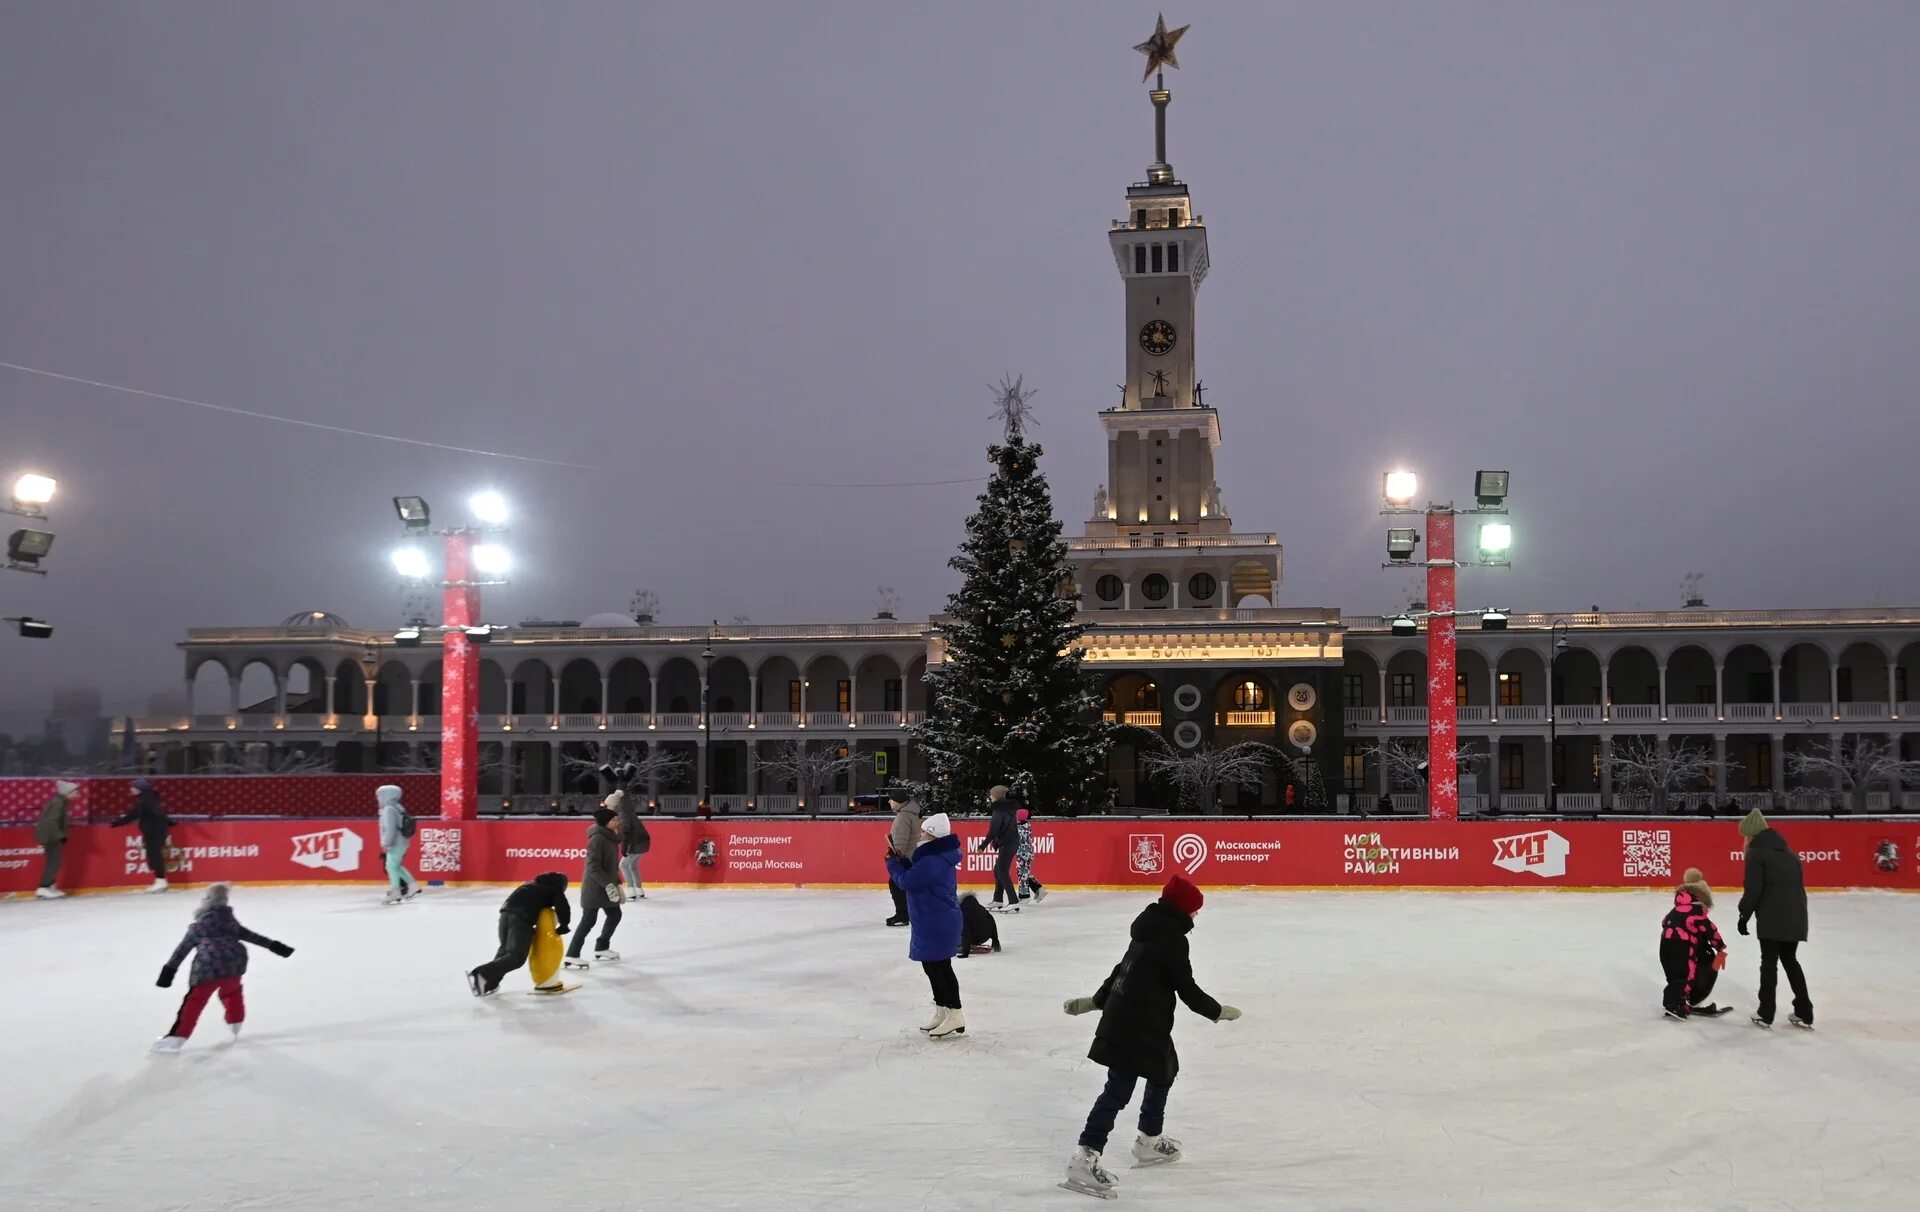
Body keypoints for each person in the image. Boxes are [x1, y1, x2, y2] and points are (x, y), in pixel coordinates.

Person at [1060, 875, 1241, 1200]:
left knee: (1164, 1071)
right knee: (1118, 1090)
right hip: (1135, 1026)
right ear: (1183, 910)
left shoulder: (1149, 929)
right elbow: (1185, 987)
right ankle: (1085, 1157)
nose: (1196, 916)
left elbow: (1121, 969)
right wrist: (1216, 1011)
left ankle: (1149, 1140)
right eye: (1194, 910)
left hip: (1138, 1022)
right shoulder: (1172, 938)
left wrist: (1095, 1001)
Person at [151, 883, 294, 1053]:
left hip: (207, 968)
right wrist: (278, 947)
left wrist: (167, 975)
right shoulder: (231, 923)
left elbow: (180, 951)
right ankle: (236, 1022)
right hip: (235, 964)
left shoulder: (198, 927)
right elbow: (255, 937)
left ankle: (176, 1038)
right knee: (232, 993)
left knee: (194, 1002)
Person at [885, 811, 965, 1038]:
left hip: (936, 920)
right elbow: (917, 874)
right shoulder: (934, 856)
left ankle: (955, 1014)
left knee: (941, 968)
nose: (919, 834)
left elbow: (907, 881)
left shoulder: (933, 860)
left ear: (931, 834)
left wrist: (892, 863)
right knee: (932, 967)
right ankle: (943, 1010)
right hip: (932, 918)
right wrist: (903, 861)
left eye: (923, 831)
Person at [1737, 809, 1813, 1029]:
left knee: (1768, 963)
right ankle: (1804, 1011)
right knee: (1790, 960)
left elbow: (1754, 890)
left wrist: (1744, 915)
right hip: (1797, 915)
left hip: (1772, 916)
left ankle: (1765, 1012)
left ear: (1751, 835)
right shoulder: (1790, 853)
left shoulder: (1756, 854)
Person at [467, 872, 572, 997]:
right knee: (516, 957)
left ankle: (489, 983)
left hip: (504, 915)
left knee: (505, 952)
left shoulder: (530, 884)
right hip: (520, 919)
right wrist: (564, 926)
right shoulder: (554, 889)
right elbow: (563, 907)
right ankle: (482, 973)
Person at [1659, 867, 1728, 1019]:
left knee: (1673, 975)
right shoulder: (1696, 912)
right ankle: (1675, 1005)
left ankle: (1674, 1002)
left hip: (1665, 944)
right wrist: (1720, 947)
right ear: (1701, 898)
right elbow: (1710, 930)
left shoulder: (1675, 910)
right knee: (1685, 974)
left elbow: (1664, 922)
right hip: (1682, 945)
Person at [565, 808, 625, 970]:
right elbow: (593, 867)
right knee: (588, 920)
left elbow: (611, 867)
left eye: (617, 819)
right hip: (595, 886)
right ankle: (572, 954)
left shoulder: (611, 838)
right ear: (605, 822)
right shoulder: (598, 839)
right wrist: (609, 885)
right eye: (613, 820)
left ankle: (602, 946)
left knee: (615, 914)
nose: (617, 822)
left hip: (607, 885)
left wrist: (617, 884)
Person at [112, 777, 174, 892]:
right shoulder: (144, 799)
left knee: (154, 855)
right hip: (153, 830)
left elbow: (158, 813)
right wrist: (118, 823)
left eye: (133, 787)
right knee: (153, 855)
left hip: (155, 831)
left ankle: (161, 881)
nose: (131, 789)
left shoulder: (147, 800)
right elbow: (134, 814)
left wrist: (167, 823)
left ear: (140, 789)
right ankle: (160, 880)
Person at [976, 785, 1021, 910]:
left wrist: (982, 846)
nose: (990, 797)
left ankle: (1013, 901)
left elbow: (994, 830)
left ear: (996, 796)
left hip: (1008, 843)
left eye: (991, 794)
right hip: (1010, 842)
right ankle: (998, 900)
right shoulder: (1008, 809)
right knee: (998, 870)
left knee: (1002, 871)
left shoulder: (999, 810)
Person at [376, 784, 420, 905]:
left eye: (379, 796)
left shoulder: (388, 809)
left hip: (395, 842)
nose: (378, 798)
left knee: (391, 866)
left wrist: (386, 843)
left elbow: (390, 828)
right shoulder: (397, 807)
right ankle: (412, 886)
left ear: (386, 796)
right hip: (401, 842)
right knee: (395, 866)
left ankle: (396, 891)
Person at [885, 790, 922, 927]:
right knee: (901, 885)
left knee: (896, 884)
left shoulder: (903, 817)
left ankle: (902, 915)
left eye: (892, 799)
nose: (889, 802)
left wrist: (895, 853)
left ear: (899, 802)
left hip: (906, 857)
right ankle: (907, 912)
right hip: (912, 857)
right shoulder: (911, 814)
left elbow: (900, 840)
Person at [35, 779, 76, 899]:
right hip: (50, 837)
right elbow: (52, 821)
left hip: (52, 835)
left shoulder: (61, 801)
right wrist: (60, 835)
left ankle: (50, 886)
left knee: (55, 861)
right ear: (67, 792)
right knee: (54, 862)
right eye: (74, 792)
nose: (76, 795)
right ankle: (44, 887)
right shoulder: (58, 803)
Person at [613, 789, 650, 900]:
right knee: (633, 866)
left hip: (635, 844)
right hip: (643, 843)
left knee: (623, 865)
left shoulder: (623, 815)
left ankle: (631, 891)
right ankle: (639, 890)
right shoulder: (630, 813)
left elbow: (625, 832)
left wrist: (623, 847)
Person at [1015, 806, 1048, 903]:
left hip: (1023, 854)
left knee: (1022, 874)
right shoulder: (1027, 826)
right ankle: (1039, 889)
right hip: (1026, 853)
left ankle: (1024, 896)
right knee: (1024, 873)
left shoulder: (1019, 828)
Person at [957, 891, 1002, 957]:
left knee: (952, 944)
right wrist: (995, 940)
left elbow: (966, 932)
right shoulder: (981, 909)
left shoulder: (964, 913)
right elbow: (992, 922)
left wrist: (965, 952)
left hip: (974, 938)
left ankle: (963, 947)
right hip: (986, 936)